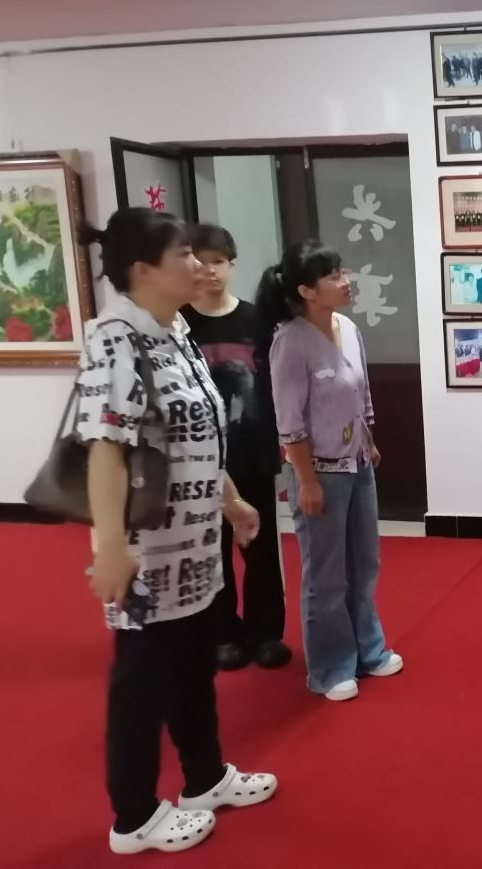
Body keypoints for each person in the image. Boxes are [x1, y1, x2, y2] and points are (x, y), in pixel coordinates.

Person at [78, 209, 276, 855]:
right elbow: (106, 450)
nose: (199, 266)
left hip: (194, 542)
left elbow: (197, 435)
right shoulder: (116, 338)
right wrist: (111, 547)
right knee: (141, 681)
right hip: (145, 549)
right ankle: (134, 816)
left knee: (193, 666)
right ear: (143, 270)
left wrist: (233, 501)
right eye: (184, 255)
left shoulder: (176, 331)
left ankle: (205, 777)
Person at [257, 242, 402, 701]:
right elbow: (289, 422)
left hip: (357, 463)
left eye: (343, 271)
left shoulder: (348, 328)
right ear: (306, 290)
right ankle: (329, 667)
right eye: (333, 276)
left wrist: (369, 442)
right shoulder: (290, 341)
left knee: (365, 563)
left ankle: (369, 650)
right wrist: (306, 481)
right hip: (318, 471)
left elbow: (361, 394)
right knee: (325, 574)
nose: (346, 281)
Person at [180, 225, 290, 673]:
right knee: (212, 549)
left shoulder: (257, 321)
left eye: (219, 262)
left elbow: (277, 384)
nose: (210, 271)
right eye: (201, 261)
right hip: (201, 460)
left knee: (261, 549)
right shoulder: (178, 324)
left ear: (232, 265)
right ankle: (223, 633)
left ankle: (266, 633)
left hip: (253, 450)